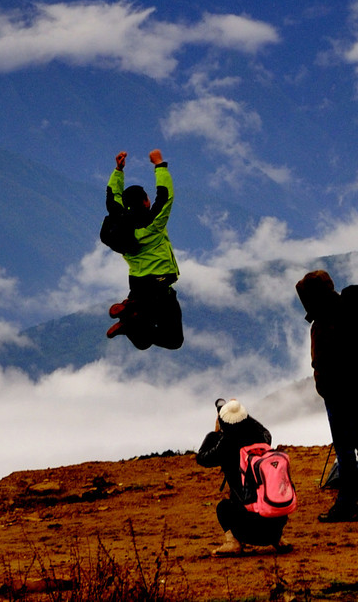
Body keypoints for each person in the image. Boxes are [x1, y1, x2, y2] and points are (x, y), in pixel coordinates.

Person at [295, 269, 358, 522]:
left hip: (338, 392)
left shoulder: (323, 323)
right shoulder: (352, 309)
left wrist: (324, 389)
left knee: (344, 447)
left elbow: (321, 363)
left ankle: (346, 504)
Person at [104, 149, 184, 350]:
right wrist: (159, 165)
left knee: (143, 342)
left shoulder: (120, 222)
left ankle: (131, 316)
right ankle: (130, 321)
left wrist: (118, 171)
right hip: (159, 287)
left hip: (138, 285)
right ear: (145, 202)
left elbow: (112, 198)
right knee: (173, 340)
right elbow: (166, 197)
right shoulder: (151, 223)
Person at [196, 397, 288, 555]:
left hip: (250, 530)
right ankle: (277, 538)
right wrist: (240, 412)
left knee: (223, 507)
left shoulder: (226, 445)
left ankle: (233, 542)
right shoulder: (262, 441)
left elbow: (202, 458)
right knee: (267, 493)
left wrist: (214, 433)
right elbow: (265, 431)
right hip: (274, 523)